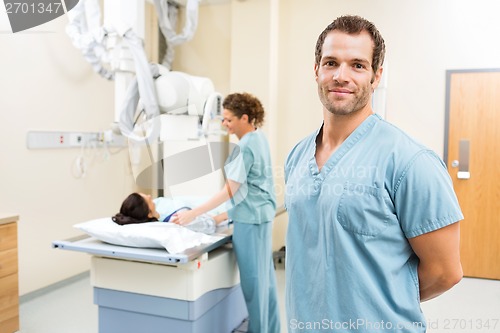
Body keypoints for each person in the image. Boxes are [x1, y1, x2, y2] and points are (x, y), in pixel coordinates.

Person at [284, 15, 463, 332]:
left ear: (375, 76)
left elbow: (445, 272)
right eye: (330, 63)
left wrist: (375, 303)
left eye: (357, 65)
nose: (341, 76)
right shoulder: (297, 156)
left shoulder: (410, 161)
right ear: (316, 71)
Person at [171, 92, 281, 333]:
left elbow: (231, 190)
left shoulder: (245, 146)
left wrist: (193, 213)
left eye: (228, 119)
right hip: (260, 217)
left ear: (245, 118)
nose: (224, 124)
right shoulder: (259, 139)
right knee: (266, 283)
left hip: (250, 222)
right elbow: (251, 187)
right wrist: (222, 217)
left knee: (254, 286)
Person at [111, 192, 225, 233]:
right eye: (148, 199)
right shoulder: (176, 221)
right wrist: (229, 214)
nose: (150, 196)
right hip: (220, 212)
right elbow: (212, 222)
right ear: (149, 214)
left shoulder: (158, 207)